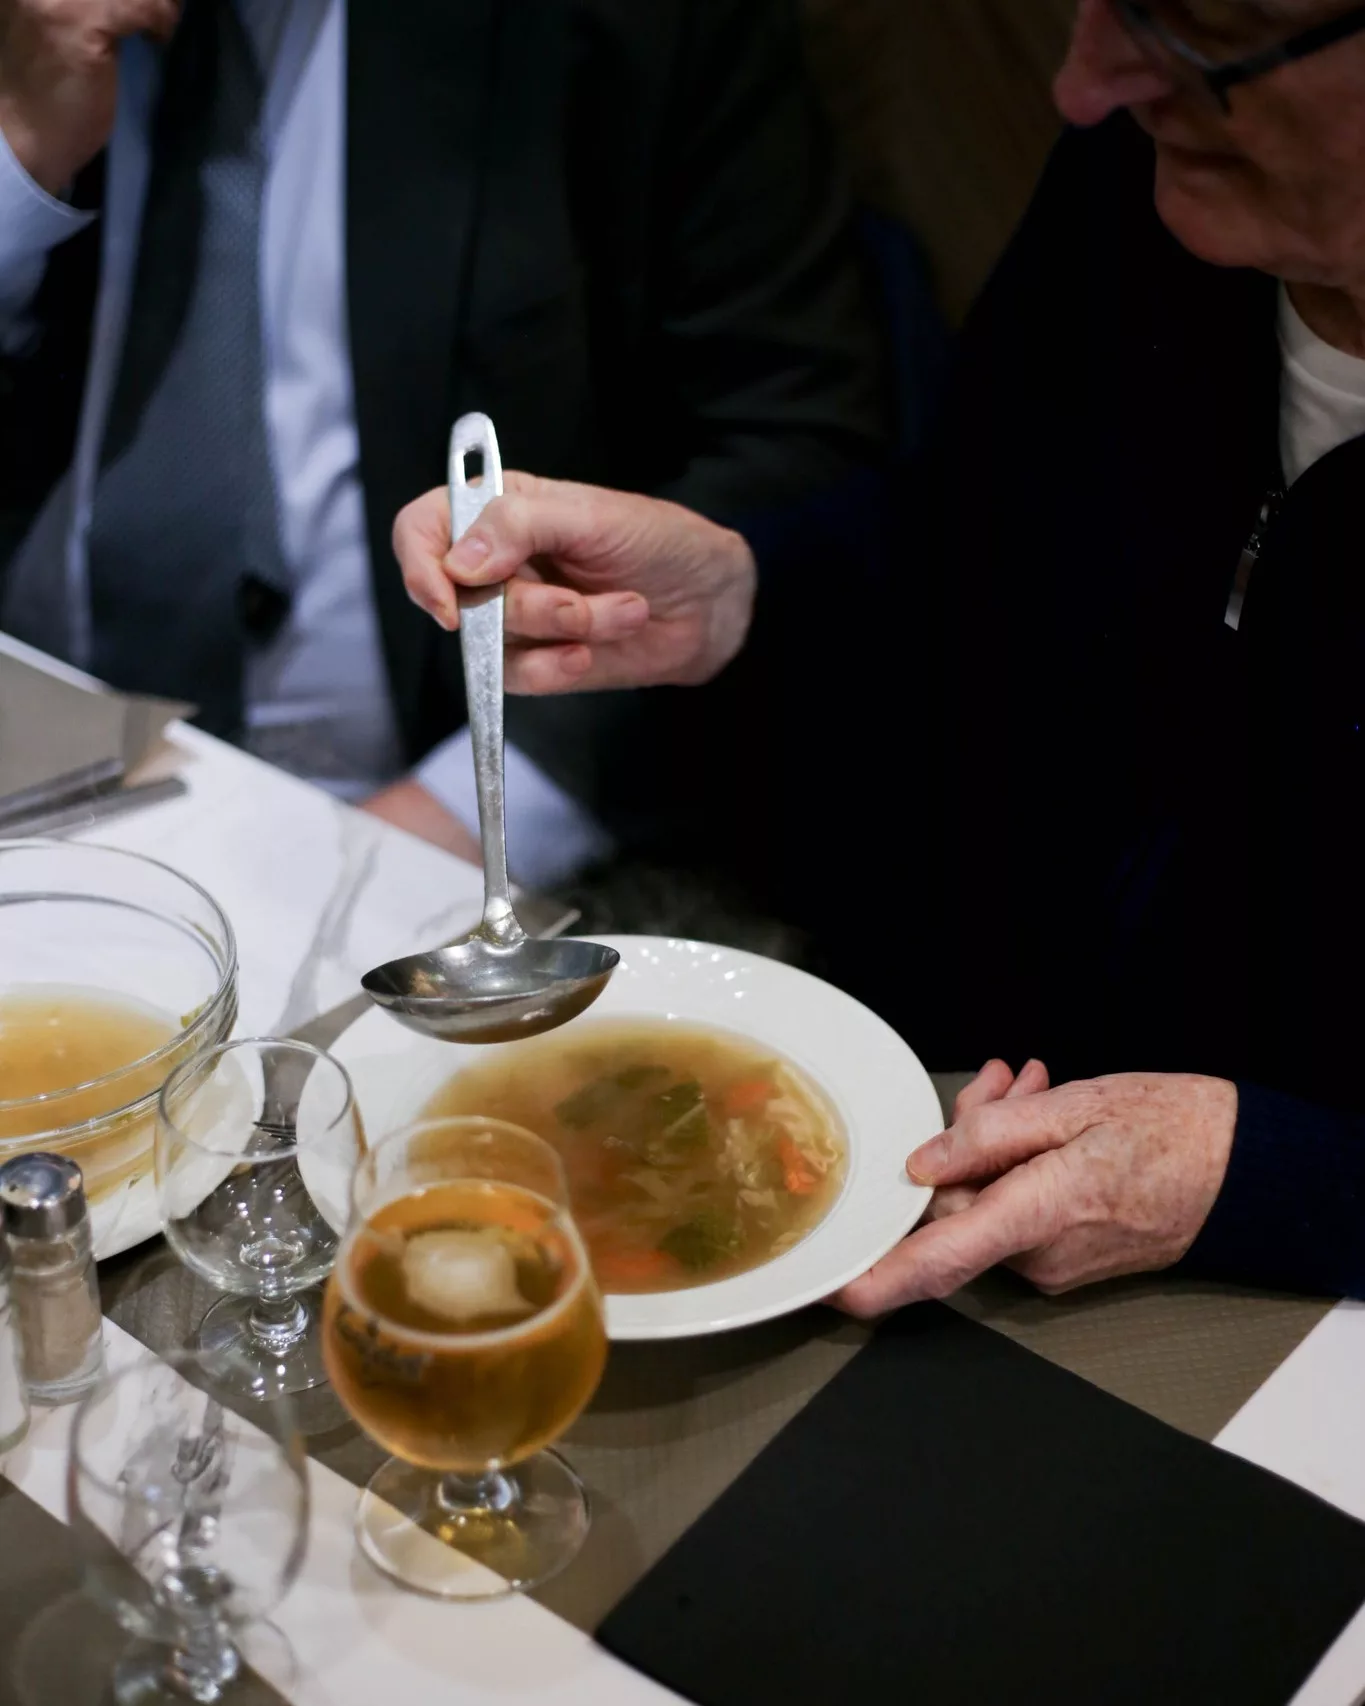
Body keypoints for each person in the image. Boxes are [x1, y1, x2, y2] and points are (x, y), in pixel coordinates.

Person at [392, 0, 1365, 1309]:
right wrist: (744, 589)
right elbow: (981, 543)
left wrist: (1260, 1174)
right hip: (940, 1113)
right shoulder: (1144, 180)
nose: (1085, 83)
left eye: (1194, 31)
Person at [0, 0, 885, 886]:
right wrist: (20, 155)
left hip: (426, 806)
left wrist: (468, 815)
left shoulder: (644, 29)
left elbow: (802, 445)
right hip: (29, 735)